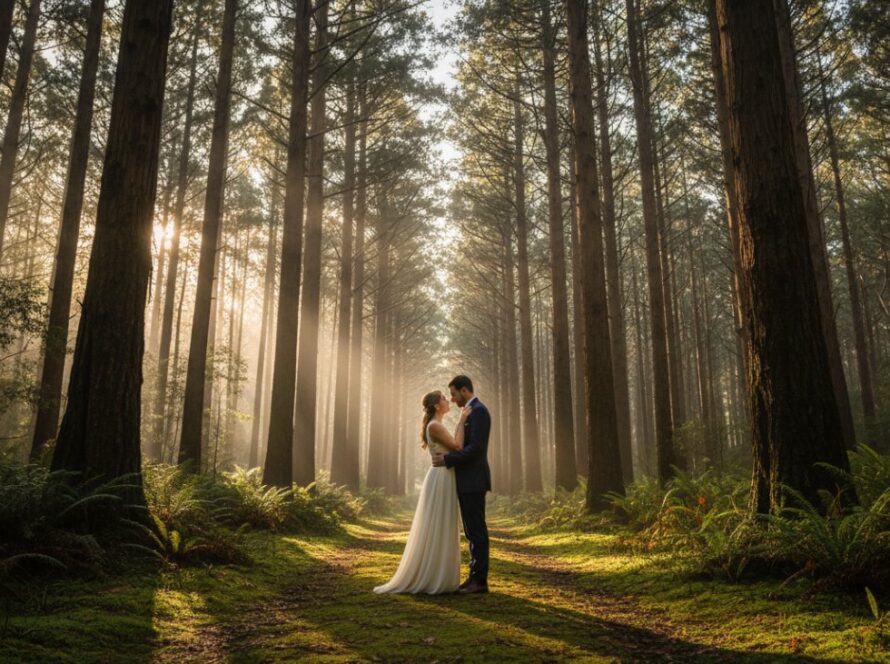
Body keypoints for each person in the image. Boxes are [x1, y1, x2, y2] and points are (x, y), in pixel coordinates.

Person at [373, 390, 469, 594]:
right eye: (444, 398)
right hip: (441, 478)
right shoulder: (435, 426)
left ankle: (439, 576)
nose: (447, 401)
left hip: (443, 477)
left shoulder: (436, 425)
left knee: (441, 524)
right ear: (436, 406)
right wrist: (461, 420)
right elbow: (458, 446)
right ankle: (435, 577)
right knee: (439, 524)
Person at [432, 375, 491, 594]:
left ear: (464, 390)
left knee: (476, 531)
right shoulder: (471, 411)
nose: (453, 399)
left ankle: (480, 581)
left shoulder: (479, 412)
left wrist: (448, 460)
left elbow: (476, 449)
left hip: (474, 480)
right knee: (471, 531)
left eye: (454, 394)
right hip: (467, 480)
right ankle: (474, 577)